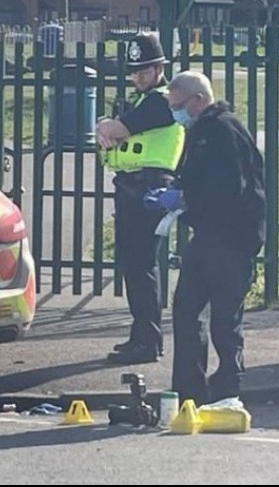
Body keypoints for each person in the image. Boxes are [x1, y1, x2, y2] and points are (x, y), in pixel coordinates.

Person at [145, 70, 266, 407]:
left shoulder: (223, 131)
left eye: (178, 106)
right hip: (208, 235)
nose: (176, 114)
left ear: (198, 100)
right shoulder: (201, 132)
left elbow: (228, 189)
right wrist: (178, 192)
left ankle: (228, 388)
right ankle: (189, 391)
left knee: (225, 319)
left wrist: (184, 200)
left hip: (233, 238)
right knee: (187, 309)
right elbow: (201, 180)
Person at [95, 32, 185, 364]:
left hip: (149, 187)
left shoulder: (162, 101)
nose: (137, 76)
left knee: (142, 265)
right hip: (133, 186)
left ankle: (147, 341)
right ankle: (141, 335)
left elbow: (118, 131)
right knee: (133, 265)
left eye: (144, 70)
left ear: (160, 67)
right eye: (134, 71)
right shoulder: (144, 99)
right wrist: (108, 125)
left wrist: (107, 125)